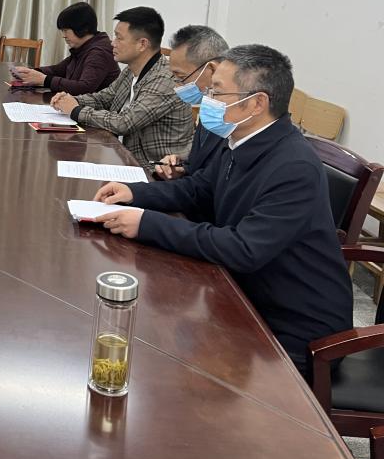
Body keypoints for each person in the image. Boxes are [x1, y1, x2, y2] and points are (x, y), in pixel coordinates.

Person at [92, 45, 353, 374]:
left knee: (170, 361)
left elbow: (244, 248)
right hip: (245, 293)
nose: (208, 100)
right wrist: (135, 193)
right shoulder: (240, 140)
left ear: (257, 103)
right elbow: (198, 190)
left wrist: (146, 224)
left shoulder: (293, 166)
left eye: (217, 93)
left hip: (298, 329)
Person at [50, 6, 194, 166]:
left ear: (142, 44)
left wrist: (75, 110)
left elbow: (125, 122)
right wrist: (71, 100)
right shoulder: (131, 70)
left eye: (119, 38)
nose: (113, 43)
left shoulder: (165, 80)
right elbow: (104, 98)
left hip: (155, 169)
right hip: (124, 156)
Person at [153, 25, 229, 183]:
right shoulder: (210, 105)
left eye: (181, 77)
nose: (177, 85)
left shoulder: (237, 114)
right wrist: (181, 168)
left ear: (211, 69)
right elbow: (202, 164)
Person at [11, 1, 118, 94]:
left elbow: (84, 87)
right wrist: (31, 72)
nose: (63, 35)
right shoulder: (84, 48)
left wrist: (44, 80)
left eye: (66, 30)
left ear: (82, 28)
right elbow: (58, 70)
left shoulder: (99, 52)